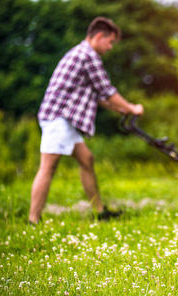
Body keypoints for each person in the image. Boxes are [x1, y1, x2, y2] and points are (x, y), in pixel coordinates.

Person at [29, 17, 143, 224]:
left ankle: (99, 211)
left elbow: (98, 94)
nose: (110, 47)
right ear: (99, 36)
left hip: (65, 120)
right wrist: (131, 107)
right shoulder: (87, 55)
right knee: (48, 166)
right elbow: (107, 90)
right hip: (59, 118)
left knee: (86, 159)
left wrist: (119, 109)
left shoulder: (82, 54)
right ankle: (33, 219)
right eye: (110, 42)